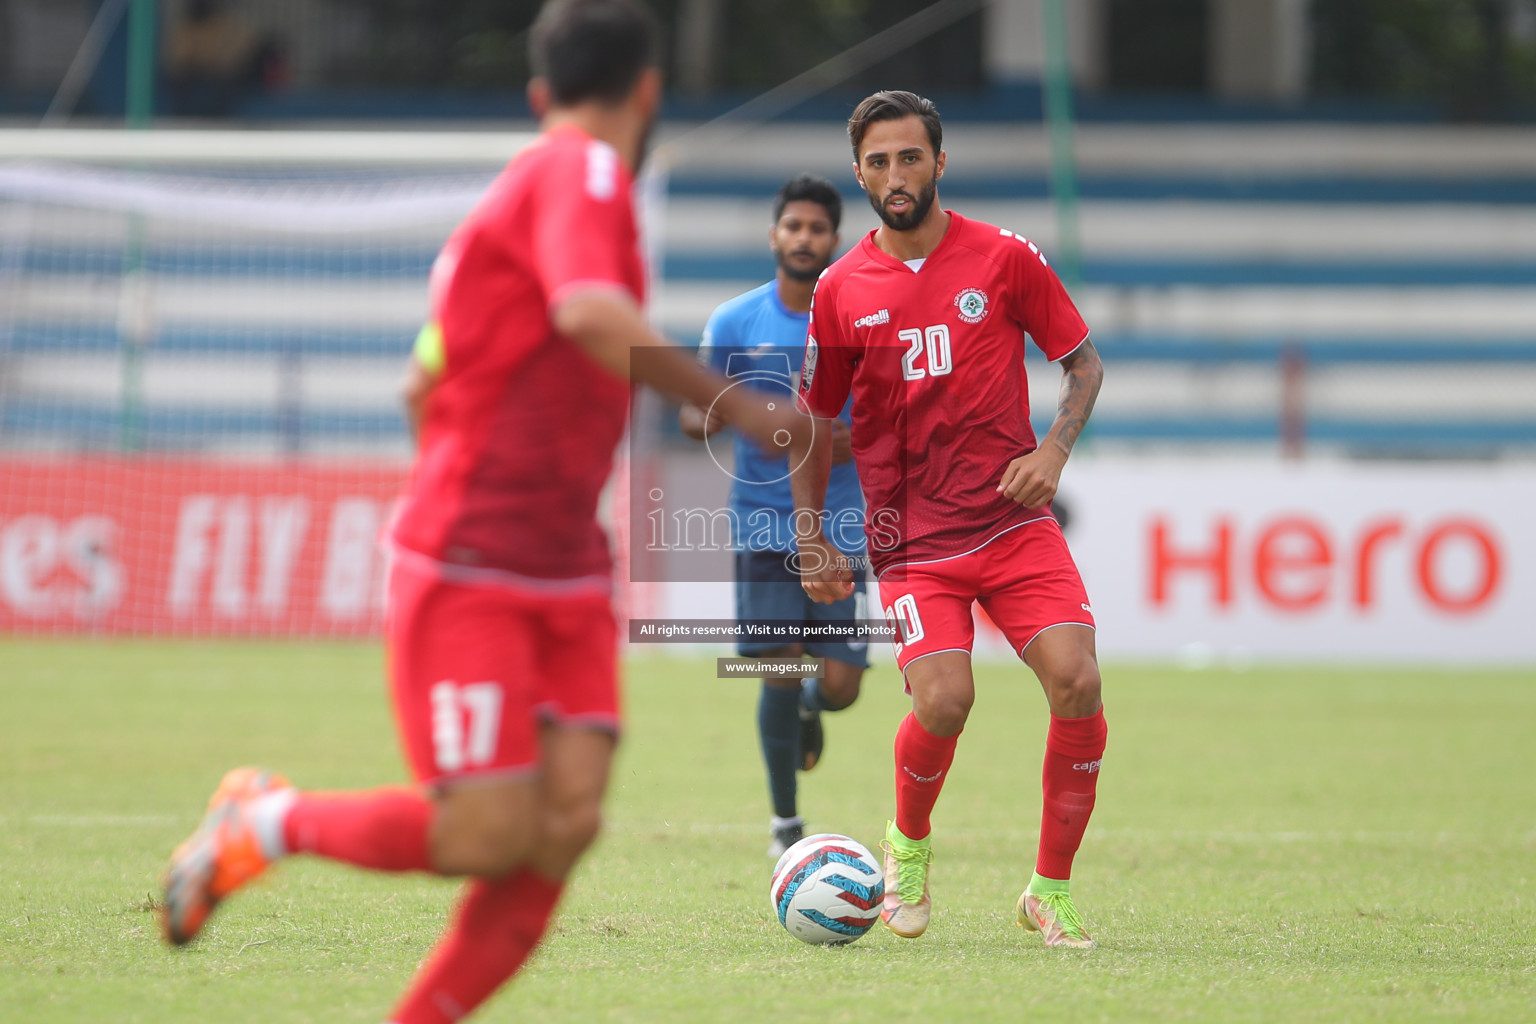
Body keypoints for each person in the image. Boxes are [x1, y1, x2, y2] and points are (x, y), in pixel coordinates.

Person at [157, 3, 802, 1021]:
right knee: (485, 834)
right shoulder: (579, 170)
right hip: (475, 565)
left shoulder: (520, 202)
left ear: (539, 90)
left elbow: (425, 378)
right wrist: (740, 405)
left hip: (563, 562)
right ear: (647, 91)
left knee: (568, 819)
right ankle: (262, 824)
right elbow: (584, 311)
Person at [790, 90, 1108, 948]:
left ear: (939, 161)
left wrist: (1053, 454)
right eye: (880, 161)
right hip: (911, 540)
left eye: (911, 157)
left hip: (1010, 524)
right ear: (860, 173)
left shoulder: (1003, 259)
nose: (897, 175)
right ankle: (908, 844)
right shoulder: (841, 288)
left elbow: (1083, 365)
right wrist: (810, 531)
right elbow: (815, 421)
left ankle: (1049, 889)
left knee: (1078, 682)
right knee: (945, 699)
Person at [679, 175, 868, 858]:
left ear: (834, 240)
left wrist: (835, 439)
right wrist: (733, 417)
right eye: (794, 226)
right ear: (774, 236)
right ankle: (786, 821)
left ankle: (815, 710)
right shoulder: (735, 321)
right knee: (780, 668)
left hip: (846, 522)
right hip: (762, 521)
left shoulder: (858, 319)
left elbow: (883, 420)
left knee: (841, 685)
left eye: (817, 229)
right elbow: (692, 412)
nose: (804, 239)